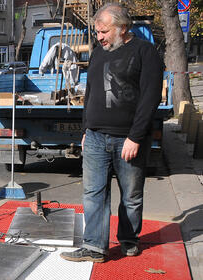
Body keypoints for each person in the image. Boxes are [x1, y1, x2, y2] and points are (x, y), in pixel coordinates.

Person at [60, 3, 163, 263]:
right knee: (93, 193)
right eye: (97, 32)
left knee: (131, 195)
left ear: (122, 27)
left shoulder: (145, 52)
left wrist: (136, 137)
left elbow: (150, 99)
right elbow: (91, 94)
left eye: (104, 32)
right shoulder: (98, 54)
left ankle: (128, 239)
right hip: (95, 136)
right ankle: (94, 246)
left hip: (128, 138)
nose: (99, 37)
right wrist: (86, 129)